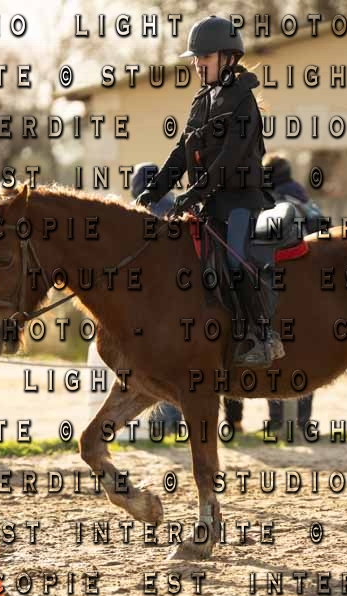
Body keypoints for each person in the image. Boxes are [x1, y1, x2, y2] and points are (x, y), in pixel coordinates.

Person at [136, 15, 283, 368]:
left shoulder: (244, 102)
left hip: (241, 201)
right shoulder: (201, 100)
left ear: (228, 58)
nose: (198, 65)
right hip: (210, 202)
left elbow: (230, 159)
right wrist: (155, 190)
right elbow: (181, 152)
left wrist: (194, 193)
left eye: (204, 57)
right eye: (196, 59)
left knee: (233, 258)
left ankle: (263, 336)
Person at [222, 153, 321, 434]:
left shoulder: (266, 204)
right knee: (306, 355)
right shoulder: (305, 201)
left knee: (268, 353)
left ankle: (271, 421)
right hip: (312, 288)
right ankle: (302, 422)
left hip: (274, 287)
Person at [130, 164, 183, 434]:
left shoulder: (138, 211)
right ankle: (175, 421)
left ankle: (161, 423)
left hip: (152, 301)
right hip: (185, 298)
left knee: (157, 367)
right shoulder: (179, 207)